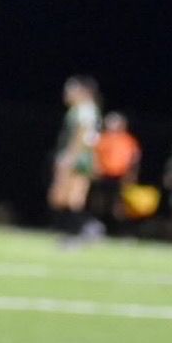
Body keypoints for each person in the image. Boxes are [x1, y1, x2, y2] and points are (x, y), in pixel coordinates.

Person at [48, 74, 101, 241]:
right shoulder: (80, 109)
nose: (67, 93)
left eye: (72, 89)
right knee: (61, 198)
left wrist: (70, 157)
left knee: (72, 197)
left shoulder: (85, 108)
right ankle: (80, 229)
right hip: (77, 155)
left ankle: (82, 229)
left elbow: (82, 133)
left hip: (78, 157)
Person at [88, 111, 142, 231]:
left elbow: (134, 160)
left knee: (118, 205)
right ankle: (98, 226)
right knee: (99, 202)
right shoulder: (102, 138)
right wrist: (94, 168)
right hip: (103, 175)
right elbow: (94, 155)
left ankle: (119, 230)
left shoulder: (128, 140)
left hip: (120, 176)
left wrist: (131, 175)